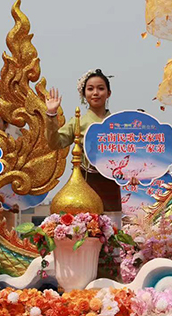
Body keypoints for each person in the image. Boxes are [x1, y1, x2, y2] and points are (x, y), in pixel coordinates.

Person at [45, 69, 121, 220]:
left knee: (113, 231)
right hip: (86, 183)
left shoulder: (118, 123)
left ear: (109, 93)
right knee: (87, 229)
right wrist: (51, 114)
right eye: (90, 89)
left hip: (112, 184)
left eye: (101, 88)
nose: (95, 93)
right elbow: (55, 142)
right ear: (84, 94)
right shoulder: (78, 122)